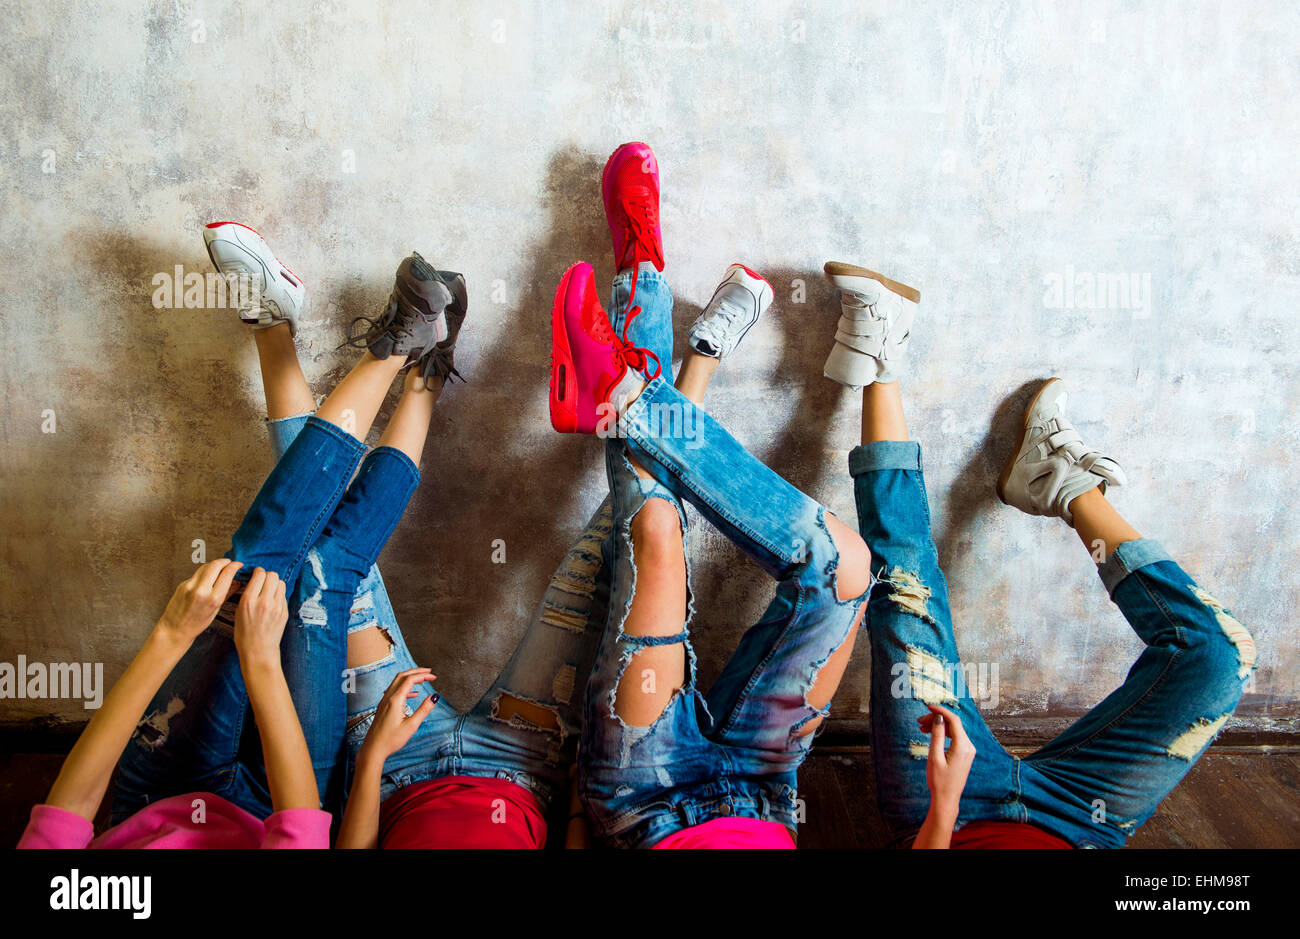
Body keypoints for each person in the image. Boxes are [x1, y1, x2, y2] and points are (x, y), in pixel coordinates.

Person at [334, 149, 747, 850]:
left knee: (324, 557)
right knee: (637, 527)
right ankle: (657, 292)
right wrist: (586, 778)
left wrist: (371, 760)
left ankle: (431, 360)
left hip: (395, 767)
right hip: (523, 759)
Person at [18, 222, 458, 847]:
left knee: (252, 570)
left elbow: (68, 812)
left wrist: (171, 634)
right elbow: (302, 827)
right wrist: (260, 660)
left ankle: (372, 340)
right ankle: (410, 357)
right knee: (324, 574)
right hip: (279, 800)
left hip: (161, 789)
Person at [826, 259, 1256, 848]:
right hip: (1082, 820)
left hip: (952, 818)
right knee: (1221, 654)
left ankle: (881, 359)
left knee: (903, 584)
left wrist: (944, 808)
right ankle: (1062, 482)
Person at [551, 142, 874, 849]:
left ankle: (637, 299)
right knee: (847, 567)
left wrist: (579, 805)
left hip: (648, 797)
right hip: (767, 786)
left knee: (657, 533)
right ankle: (637, 384)